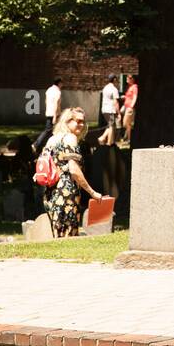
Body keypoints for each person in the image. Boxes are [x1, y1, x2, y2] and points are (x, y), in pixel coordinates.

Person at [42, 109, 103, 238]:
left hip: (49, 192)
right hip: (66, 192)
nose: (82, 125)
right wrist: (92, 192)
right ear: (67, 121)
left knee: (57, 235)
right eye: (78, 121)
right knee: (68, 236)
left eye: (83, 122)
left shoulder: (51, 139)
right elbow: (74, 170)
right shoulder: (70, 138)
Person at [98, 76, 120, 146]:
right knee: (111, 126)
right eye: (116, 79)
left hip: (104, 109)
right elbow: (115, 101)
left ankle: (102, 137)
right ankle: (109, 143)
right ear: (114, 79)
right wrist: (118, 113)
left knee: (110, 125)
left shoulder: (105, 88)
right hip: (111, 109)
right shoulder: (114, 89)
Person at [121, 74, 137, 143]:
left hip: (129, 108)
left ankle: (129, 139)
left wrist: (131, 106)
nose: (127, 78)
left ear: (132, 79)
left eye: (129, 77)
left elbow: (135, 97)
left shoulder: (134, 87)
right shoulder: (129, 87)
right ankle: (128, 138)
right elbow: (129, 97)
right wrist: (124, 97)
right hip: (126, 107)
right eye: (127, 77)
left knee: (126, 123)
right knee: (127, 124)